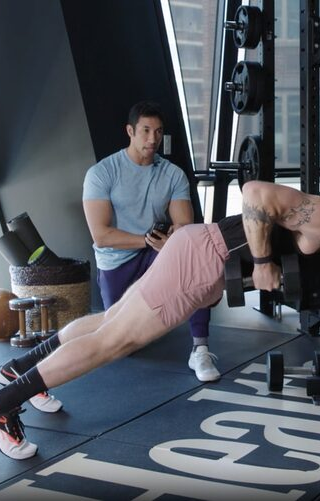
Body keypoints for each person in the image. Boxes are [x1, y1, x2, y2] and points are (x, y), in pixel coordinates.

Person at [0, 180, 320, 460]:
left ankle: (20, 371)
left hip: (197, 256)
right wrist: (261, 264)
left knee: (110, 321)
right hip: (201, 258)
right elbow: (256, 192)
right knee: (116, 341)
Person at [81, 100, 218, 383]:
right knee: (122, 343)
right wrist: (147, 241)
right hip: (118, 259)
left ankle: (200, 348)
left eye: (158, 131)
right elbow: (101, 235)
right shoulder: (102, 173)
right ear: (130, 131)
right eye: (145, 131)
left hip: (154, 252)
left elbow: (184, 224)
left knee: (195, 259)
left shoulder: (172, 174)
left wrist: (171, 240)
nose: (153, 139)